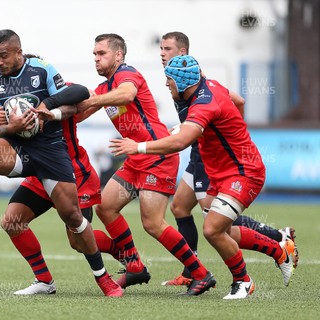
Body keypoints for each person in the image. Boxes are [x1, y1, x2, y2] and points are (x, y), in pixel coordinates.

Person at [0, 30, 123, 297]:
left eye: (4, 56)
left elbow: (78, 95)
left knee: (73, 219)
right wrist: (4, 126)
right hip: (20, 149)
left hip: (51, 151)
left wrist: (45, 110)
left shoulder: (42, 70)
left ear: (19, 53)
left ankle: (103, 278)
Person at [110, 55, 297, 299]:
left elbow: (180, 142)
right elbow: (238, 101)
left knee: (212, 229)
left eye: (169, 80)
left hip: (244, 172)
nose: (166, 84)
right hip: (219, 170)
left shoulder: (203, 103)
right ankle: (279, 249)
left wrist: (139, 147)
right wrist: (235, 130)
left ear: (182, 82)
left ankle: (243, 281)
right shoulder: (212, 85)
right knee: (222, 229)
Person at [77, 33, 215, 296]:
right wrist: (52, 111)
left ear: (118, 55)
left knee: (152, 223)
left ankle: (201, 274)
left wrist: (91, 99)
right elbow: (80, 114)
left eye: (101, 53)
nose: (96, 58)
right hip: (135, 159)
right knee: (105, 208)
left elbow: (127, 95)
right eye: (94, 54)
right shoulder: (106, 89)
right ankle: (134, 265)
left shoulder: (127, 74)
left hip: (157, 156)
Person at [159, 31, 297, 286]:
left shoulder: (196, 83)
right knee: (179, 206)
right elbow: (237, 101)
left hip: (209, 158)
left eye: (167, 49)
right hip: (197, 154)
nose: (161, 54)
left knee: (215, 221)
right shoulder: (174, 82)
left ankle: (276, 239)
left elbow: (235, 102)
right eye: (161, 49)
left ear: (182, 54)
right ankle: (192, 271)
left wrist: (230, 133)